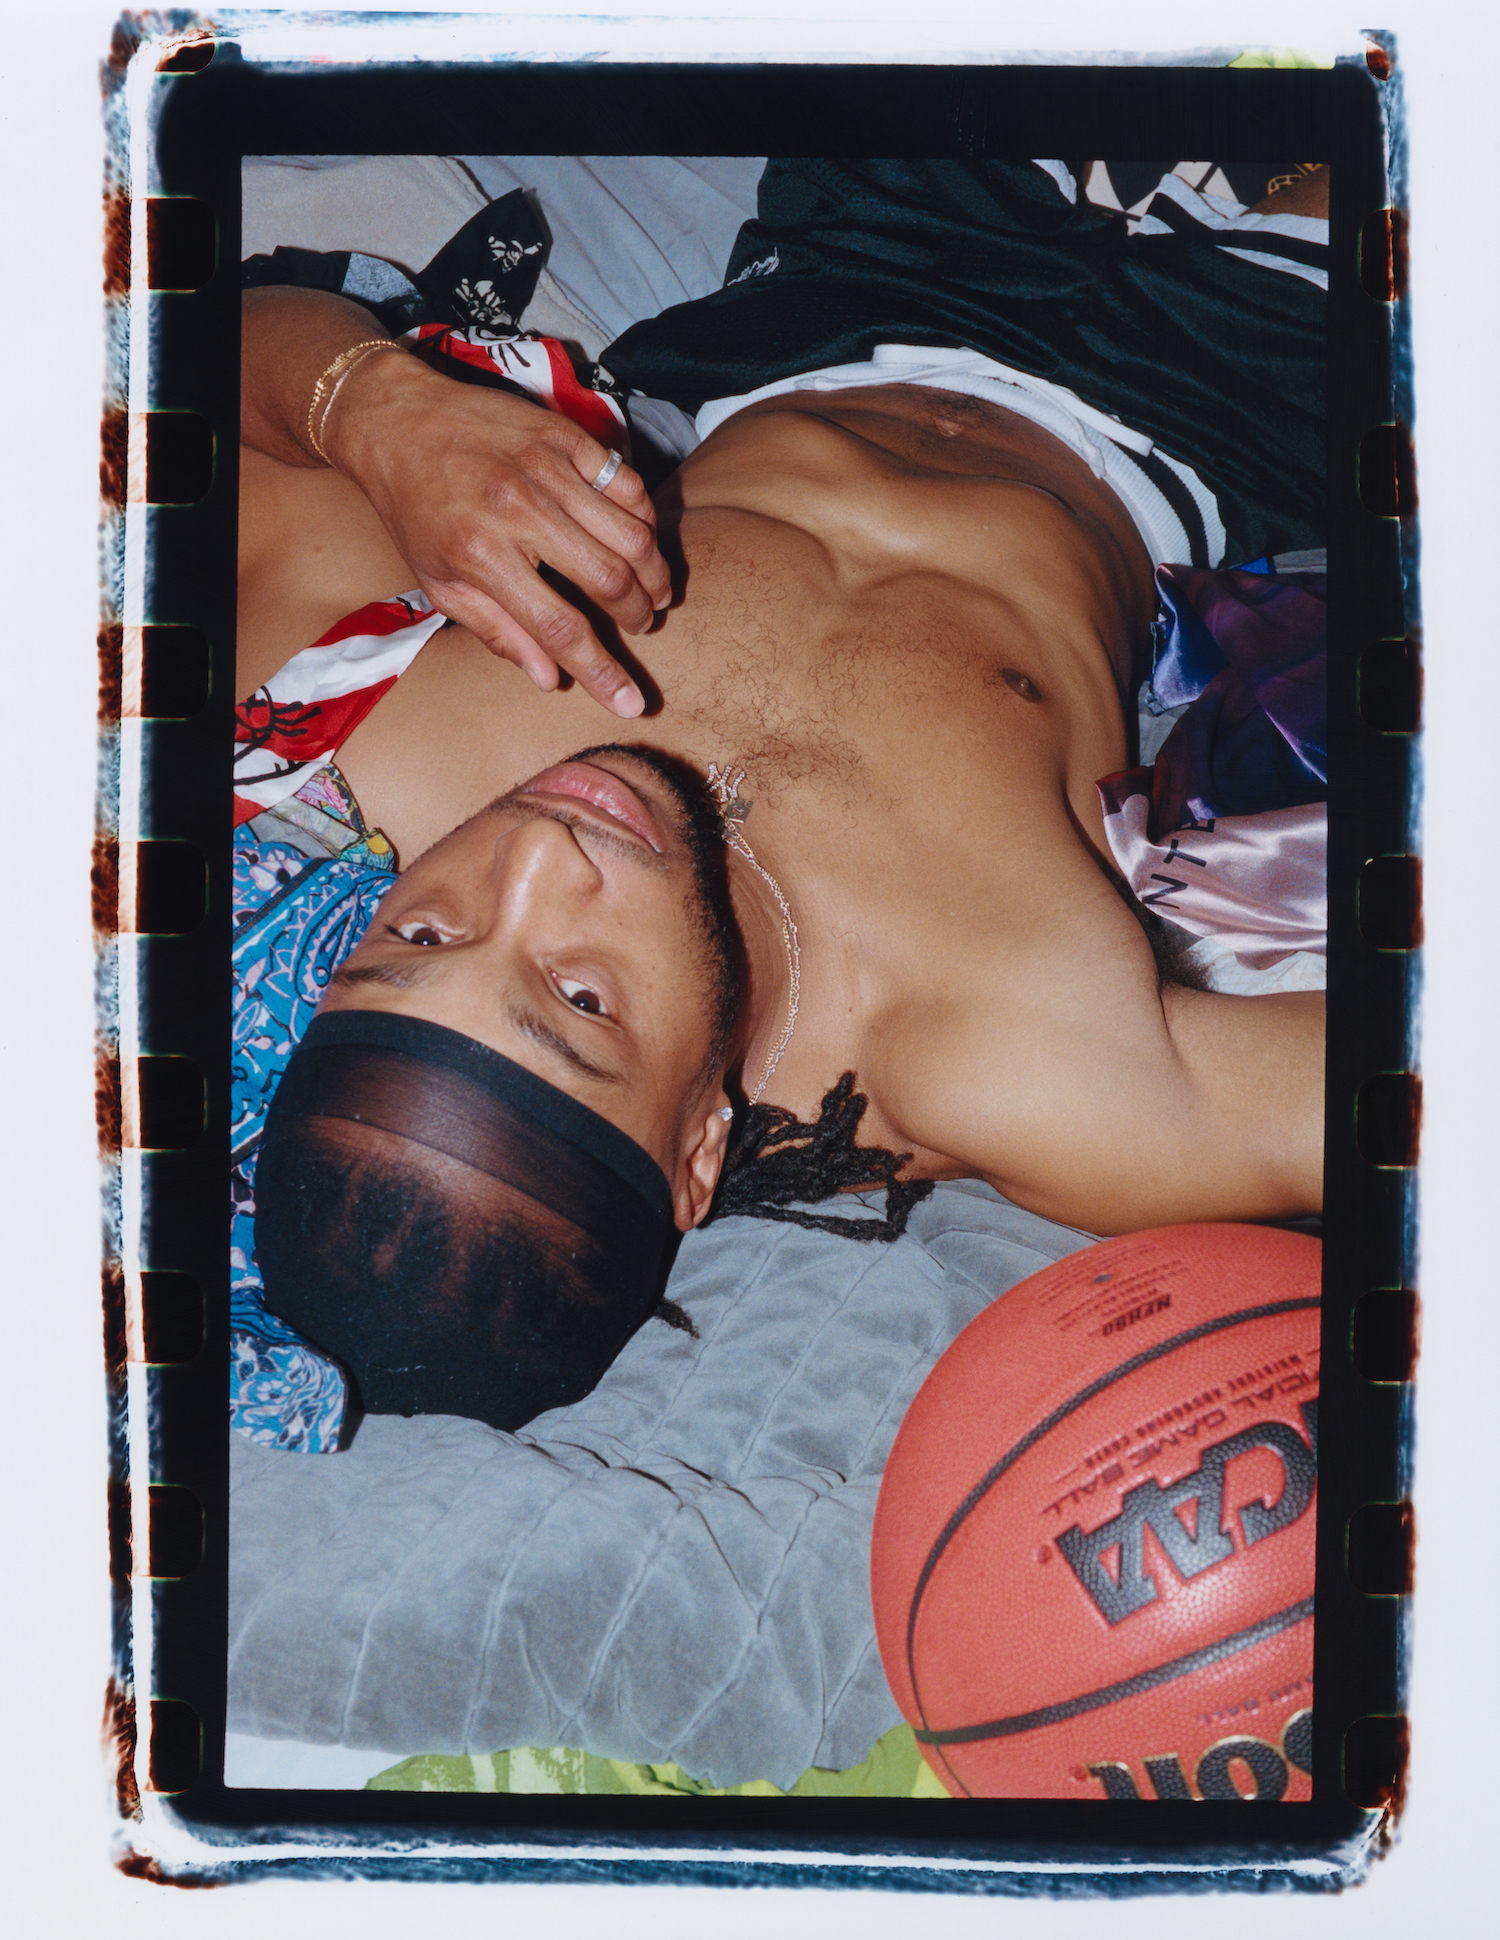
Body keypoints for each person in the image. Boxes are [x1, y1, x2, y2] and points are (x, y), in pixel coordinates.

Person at [235, 157, 1328, 1444]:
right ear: (696, 1148)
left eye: (416, 940)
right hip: (1212, 405)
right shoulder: (988, 1050)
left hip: (844, 284)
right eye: (580, 1000)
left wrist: (377, 415)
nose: (536, 856)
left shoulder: (367, 746)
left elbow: (195, 381)